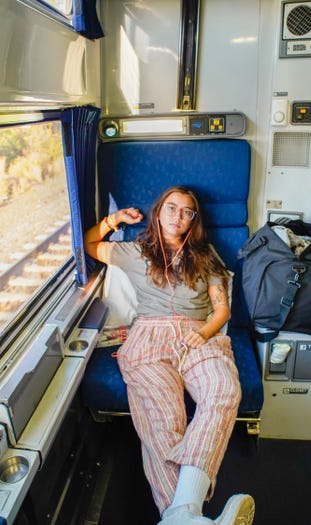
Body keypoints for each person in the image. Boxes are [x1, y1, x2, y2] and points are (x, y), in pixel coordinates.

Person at [84, 186, 255, 525]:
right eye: (172, 208)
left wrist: (203, 333)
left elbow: (221, 311)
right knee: (164, 419)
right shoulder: (135, 252)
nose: (179, 216)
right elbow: (87, 245)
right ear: (158, 212)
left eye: (187, 211)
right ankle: (185, 513)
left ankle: (179, 515)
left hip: (199, 335)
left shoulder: (206, 256)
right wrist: (113, 220)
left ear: (194, 219)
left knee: (224, 391)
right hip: (149, 335)